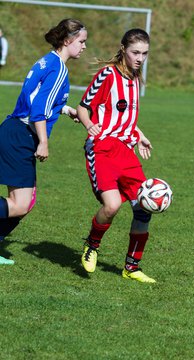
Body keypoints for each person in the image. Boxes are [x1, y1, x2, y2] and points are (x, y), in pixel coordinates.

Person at [0, 18, 87, 264]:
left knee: (26, 201)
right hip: (22, 135)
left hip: (13, 129)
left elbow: (38, 97)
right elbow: (38, 109)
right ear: (67, 41)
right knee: (20, 204)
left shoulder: (47, 60)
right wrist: (44, 142)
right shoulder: (59, 68)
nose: (84, 47)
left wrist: (65, 109)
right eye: (81, 41)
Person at [77, 28, 156, 283]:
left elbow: (124, 117)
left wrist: (139, 134)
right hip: (102, 149)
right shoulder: (107, 75)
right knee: (111, 206)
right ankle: (92, 244)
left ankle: (132, 268)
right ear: (123, 49)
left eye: (144, 53)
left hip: (126, 150)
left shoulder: (135, 78)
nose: (140, 58)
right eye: (135, 52)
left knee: (144, 208)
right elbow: (83, 107)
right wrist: (90, 125)